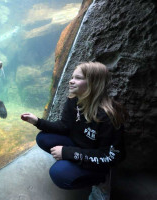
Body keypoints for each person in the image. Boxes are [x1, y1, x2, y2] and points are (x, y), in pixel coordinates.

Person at [21, 62, 126, 200]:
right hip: (82, 146)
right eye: (72, 77)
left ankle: (100, 181)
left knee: (58, 173)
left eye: (78, 78)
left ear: (94, 83)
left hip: (101, 161)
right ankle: (75, 164)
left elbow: (110, 156)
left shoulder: (109, 115)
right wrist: (37, 122)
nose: (71, 81)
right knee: (43, 138)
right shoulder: (74, 100)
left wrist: (67, 153)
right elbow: (64, 126)